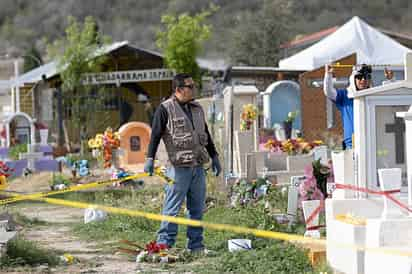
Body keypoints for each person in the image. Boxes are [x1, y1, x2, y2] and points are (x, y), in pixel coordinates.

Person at [144, 73, 221, 253]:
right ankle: (164, 245)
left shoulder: (197, 109)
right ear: (179, 90)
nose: (194, 89)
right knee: (172, 208)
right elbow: (155, 135)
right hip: (177, 168)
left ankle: (195, 245)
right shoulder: (165, 109)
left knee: (197, 209)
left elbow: (206, 135)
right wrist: (149, 159)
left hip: (197, 167)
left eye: (194, 85)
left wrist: (214, 156)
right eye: (190, 86)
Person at [323, 64, 372, 149]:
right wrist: (328, 75)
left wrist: (390, 80)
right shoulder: (345, 95)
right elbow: (329, 92)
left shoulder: (373, 95)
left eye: (366, 77)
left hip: (371, 142)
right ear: (353, 79)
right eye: (359, 77)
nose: (363, 80)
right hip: (352, 144)